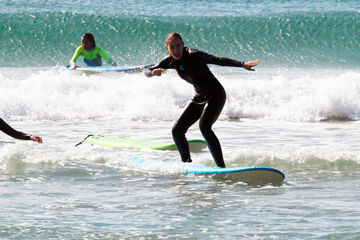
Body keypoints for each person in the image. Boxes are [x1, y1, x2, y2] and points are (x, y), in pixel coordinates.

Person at [145, 32, 259, 168]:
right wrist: (152, 73)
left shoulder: (193, 54)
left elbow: (217, 60)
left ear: (183, 44)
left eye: (178, 46)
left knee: (204, 126)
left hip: (216, 94)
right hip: (200, 96)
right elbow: (148, 70)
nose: (176, 50)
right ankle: (187, 165)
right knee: (177, 130)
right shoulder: (169, 61)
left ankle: (221, 167)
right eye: (172, 47)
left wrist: (242, 64)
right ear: (167, 49)